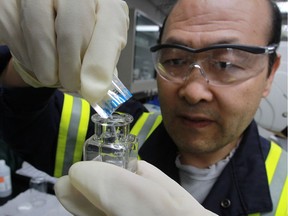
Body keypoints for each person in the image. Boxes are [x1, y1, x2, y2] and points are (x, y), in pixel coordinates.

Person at [0, 0, 287, 216]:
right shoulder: (114, 132)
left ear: (270, 73)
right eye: (175, 60)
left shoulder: (283, 182)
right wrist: (27, 67)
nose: (193, 90)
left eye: (225, 63)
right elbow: (22, 118)